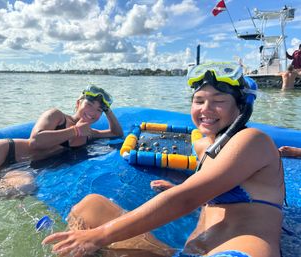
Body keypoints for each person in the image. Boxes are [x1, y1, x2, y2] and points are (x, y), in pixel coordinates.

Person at [42, 62, 284, 257]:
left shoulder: (253, 140)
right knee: (90, 206)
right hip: (185, 252)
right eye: (199, 101)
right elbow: (209, 196)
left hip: (235, 252)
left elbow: (186, 199)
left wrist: (99, 236)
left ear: (241, 108)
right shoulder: (209, 147)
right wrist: (183, 188)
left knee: (97, 233)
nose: (206, 109)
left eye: (219, 101)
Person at [0, 85, 123, 191]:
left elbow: (116, 133)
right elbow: (35, 141)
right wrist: (74, 131)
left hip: (19, 168)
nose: (93, 112)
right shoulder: (57, 116)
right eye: (89, 104)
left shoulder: (89, 133)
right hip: (3, 152)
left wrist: (108, 110)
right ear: (78, 103)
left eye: (99, 110)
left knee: (25, 187)